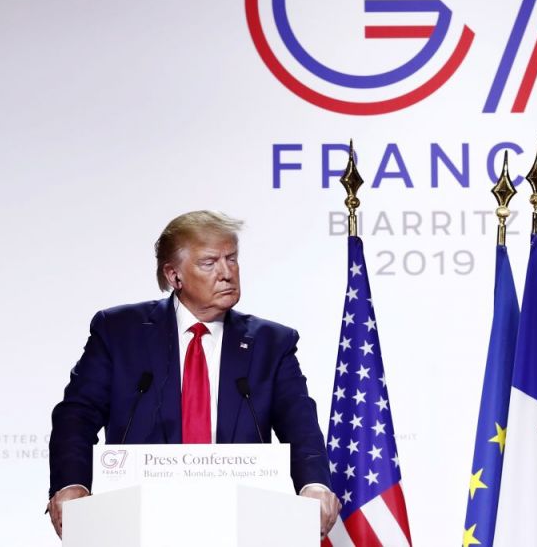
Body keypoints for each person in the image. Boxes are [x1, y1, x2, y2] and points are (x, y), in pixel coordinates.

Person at [47, 211, 340, 537]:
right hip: (139, 521)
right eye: (209, 262)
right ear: (174, 276)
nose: (226, 273)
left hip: (242, 524)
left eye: (232, 259)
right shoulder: (119, 332)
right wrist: (71, 484)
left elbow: (300, 425)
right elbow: (78, 415)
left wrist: (314, 485)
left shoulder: (272, 343)